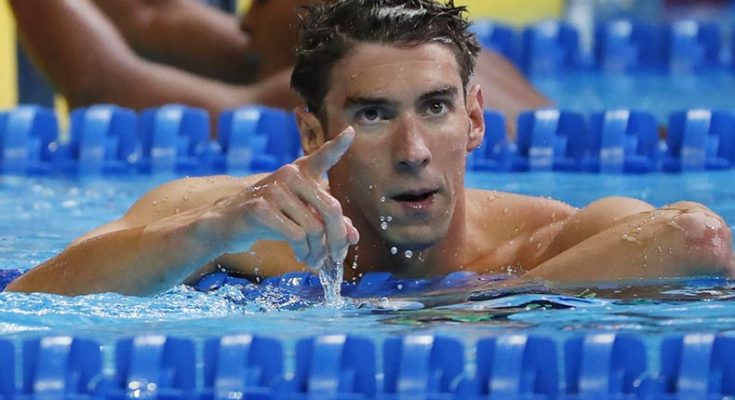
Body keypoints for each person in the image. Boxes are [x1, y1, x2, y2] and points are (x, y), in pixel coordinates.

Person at [6, 0, 734, 296]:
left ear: (474, 121)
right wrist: (213, 230)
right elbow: (31, 296)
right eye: (375, 117)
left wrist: (484, 301)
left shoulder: (546, 242)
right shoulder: (233, 222)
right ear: (314, 134)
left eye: (437, 109)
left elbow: (698, 239)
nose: (414, 149)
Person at [8, 0, 549, 135]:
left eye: (257, 3)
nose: (241, 24)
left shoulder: (349, 92)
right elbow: (152, 17)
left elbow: (102, 86)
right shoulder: (466, 62)